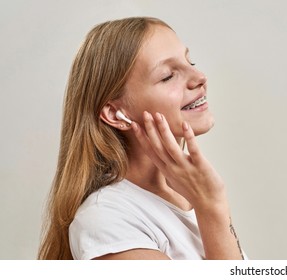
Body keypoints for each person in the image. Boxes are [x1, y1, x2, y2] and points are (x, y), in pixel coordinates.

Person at [38, 17, 245, 260]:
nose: (199, 76)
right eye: (168, 76)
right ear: (116, 114)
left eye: (190, 61)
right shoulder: (106, 220)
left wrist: (209, 205)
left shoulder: (189, 193)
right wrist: (213, 207)